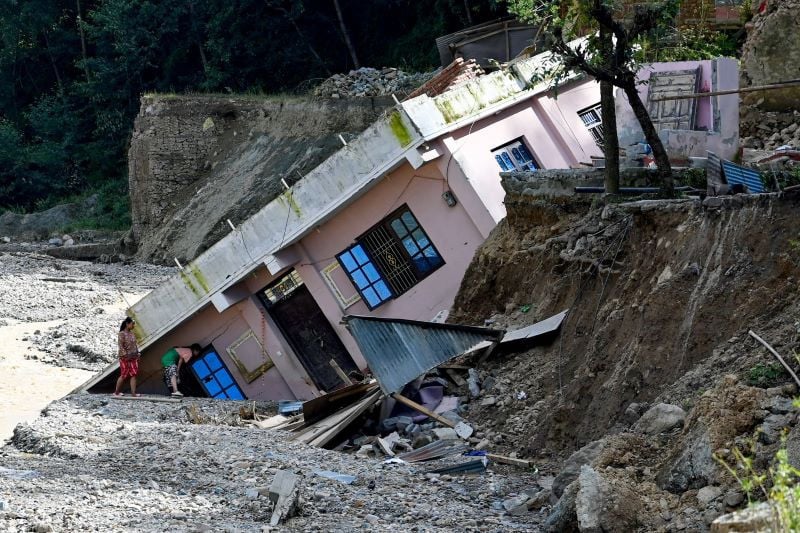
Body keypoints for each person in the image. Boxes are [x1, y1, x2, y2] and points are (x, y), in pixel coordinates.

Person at [115, 317, 140, 396]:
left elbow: (134, 345)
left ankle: (133, 393)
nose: (133, 326)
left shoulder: (132, 334)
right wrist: (126, 355)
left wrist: (137, 353)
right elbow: (120, 346)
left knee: (134, 374)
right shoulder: (121, 334)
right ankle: (116, 392)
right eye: (132, 324)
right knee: (124, 374)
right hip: (125, 357)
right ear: (127, 324)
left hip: (133, 357)